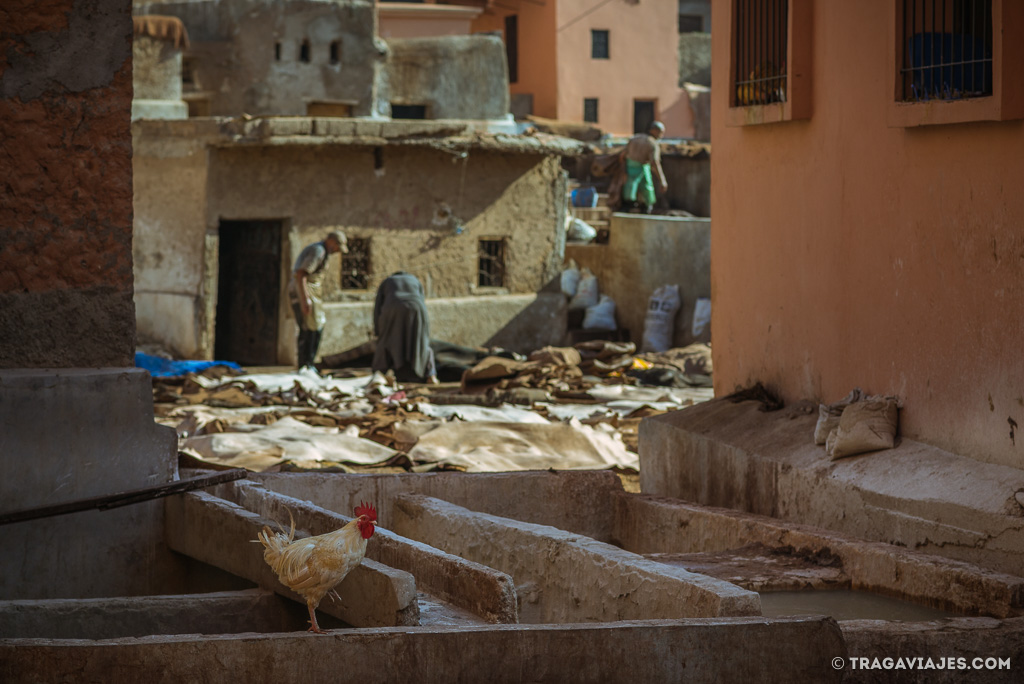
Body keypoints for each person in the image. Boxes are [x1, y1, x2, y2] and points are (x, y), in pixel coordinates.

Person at [288, 231, 347, 370]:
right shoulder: (318, 251)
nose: (337, 251)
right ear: (332, 242)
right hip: (303, 292)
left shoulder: (323, 252)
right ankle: (305, 365)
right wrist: (305, 299)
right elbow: (301, 274)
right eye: (338, 247)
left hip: (311, 294)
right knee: (307, 329)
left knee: (316, 327)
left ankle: (309, 364)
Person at [372, 271, 438, 384]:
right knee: (421, 343)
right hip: (417, 308)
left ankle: (380, 374)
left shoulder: (387, 281)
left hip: (392, 307)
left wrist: (378, 332)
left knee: (386, 343)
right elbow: (421, 300)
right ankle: (431, 374)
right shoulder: (415, 280)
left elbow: (377, 307)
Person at [621, 120, 668, 214]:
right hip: (639, 167)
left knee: (632, 188)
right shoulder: (652, 144)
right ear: (654, 130)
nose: (661, 135)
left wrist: (623, 171)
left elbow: (622, 156)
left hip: (630, 167)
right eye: (661, 132)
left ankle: (634, 206)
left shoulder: (635, 138)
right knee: (645, 188)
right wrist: (662, 180)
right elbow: (655, 162)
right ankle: (645, 207)